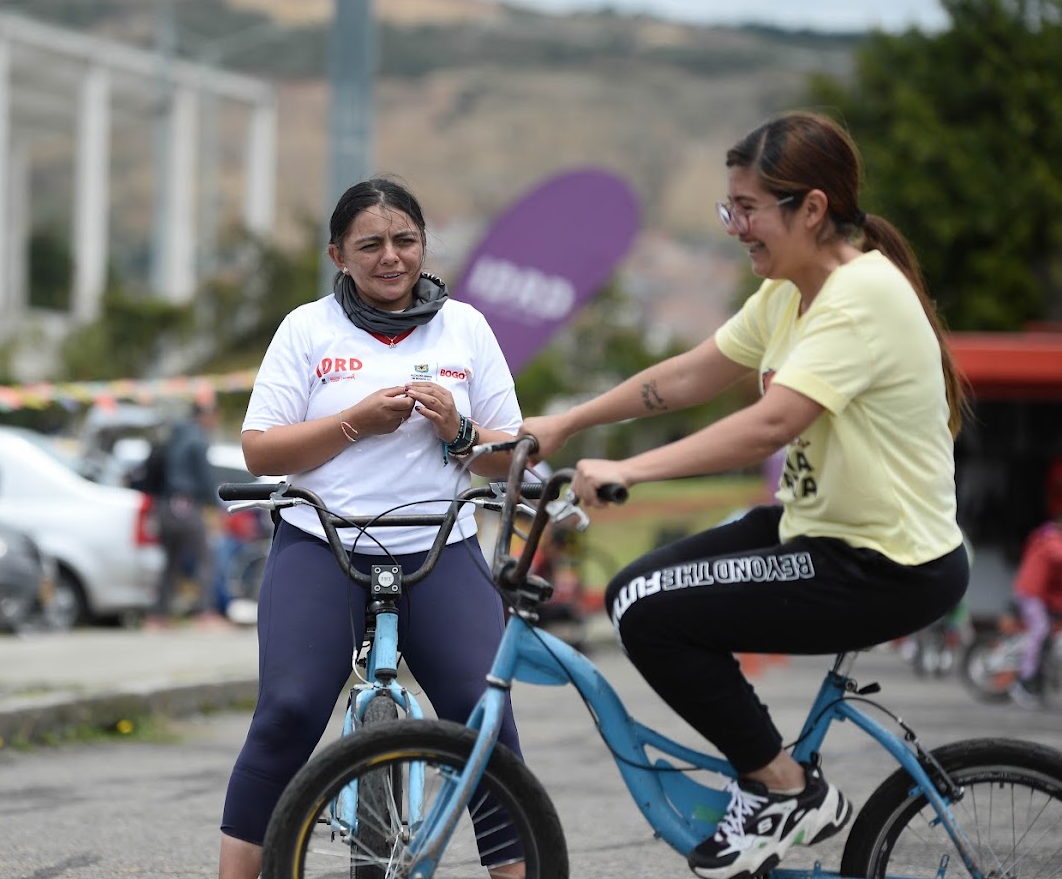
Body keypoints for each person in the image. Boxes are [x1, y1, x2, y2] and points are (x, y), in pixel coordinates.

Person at [521, 111, 970, 879]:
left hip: (882, 562)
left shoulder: (859, 295)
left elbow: (770, 424)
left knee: (654, 614)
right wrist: (570, 420)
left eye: (747, 209)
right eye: (728, 209)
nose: (734, 227)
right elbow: (690, 376)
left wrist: (636, 470)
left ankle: (780, 786)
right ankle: (773, 779)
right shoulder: (789, 292)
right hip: (820, 531)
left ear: (812, 209)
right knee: (633, 593)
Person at [217, 177, 528, 879]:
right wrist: (355, 421)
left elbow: (509, 454)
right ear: (337, 253)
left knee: (485, 716)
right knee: (289, 710)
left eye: (405, 240)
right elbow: (261, 449)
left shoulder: (466, 328)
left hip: (438, 544)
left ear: (422, 243)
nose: (391, 257)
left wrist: (457, 428)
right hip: (322, 543)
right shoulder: (307, 329)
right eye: (370, 244)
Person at [142, 401, 224, 626]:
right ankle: (205, 612)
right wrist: (215, 504)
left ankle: (157, 616)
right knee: (205, 559)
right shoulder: (196, 439)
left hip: (165, 506)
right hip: (187, 505)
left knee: (170, 562)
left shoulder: (172, 437)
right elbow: (205, 477)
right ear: (206, 416)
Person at [1009, 514, 1062, 708]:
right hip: (1031, 594)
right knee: (1040, 630)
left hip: (1035, 594)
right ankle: (1023, 680)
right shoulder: (1051, 542)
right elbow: (1057, 555)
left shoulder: (1044, 536)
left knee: (1045, 631)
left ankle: (1037, 677)